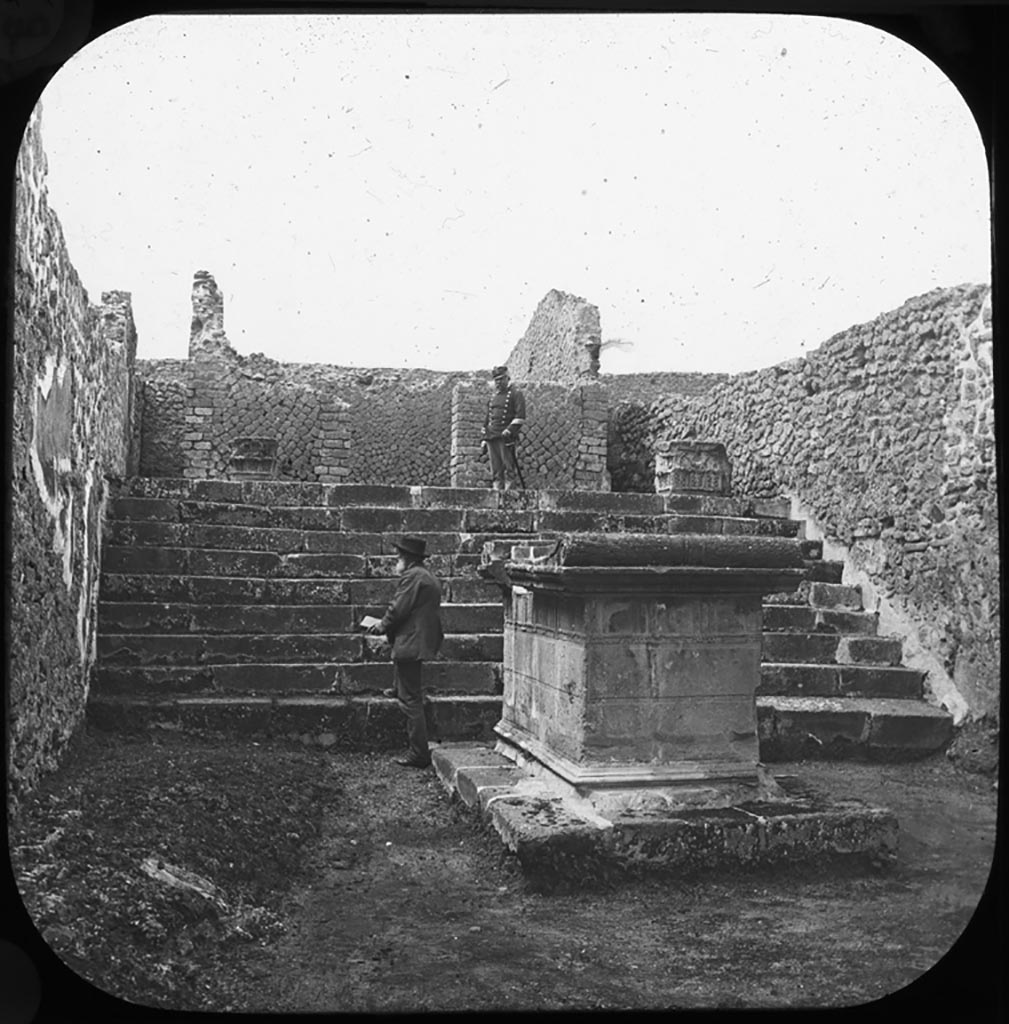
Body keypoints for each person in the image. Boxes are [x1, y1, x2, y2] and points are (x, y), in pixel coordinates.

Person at [366, 536, 443, 768]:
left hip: (413, 640)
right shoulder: (425, 575)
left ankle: (419, 753)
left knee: (411, 700)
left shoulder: (411, 577)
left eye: (399, 556)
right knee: (408, 686)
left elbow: (398, 608)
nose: (396, 561)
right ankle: (398, 688)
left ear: (408, 559)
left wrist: (381, 625)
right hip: (419, 637)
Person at [481, 365, 527, 490]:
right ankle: (497, 494)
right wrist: (484, 438)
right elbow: (488, 418)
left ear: (508, 378)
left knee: (508, 468)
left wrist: (509, 430)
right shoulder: (492, 398)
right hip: (492, 436)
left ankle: (509, 495)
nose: (499, 382)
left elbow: (520, 416)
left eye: (501, 379)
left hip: (506, 437)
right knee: (495, 469)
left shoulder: (516, 394)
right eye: (496, 380)